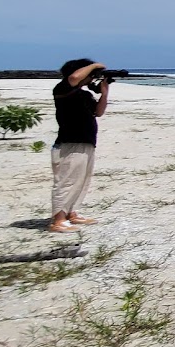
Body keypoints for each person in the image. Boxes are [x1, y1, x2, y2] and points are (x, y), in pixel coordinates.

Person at [49, 59, 111, 233]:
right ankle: (58, 220)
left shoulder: (84, 95)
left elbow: (98, 112)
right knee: (66, 181)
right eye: (91, 75)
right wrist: (95, 65)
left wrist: (104, 93)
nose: (92, 78)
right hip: (69, 143)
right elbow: (75, 77)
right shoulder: (62, 89)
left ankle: (71, 213)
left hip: (86, 141)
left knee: (81, 180)